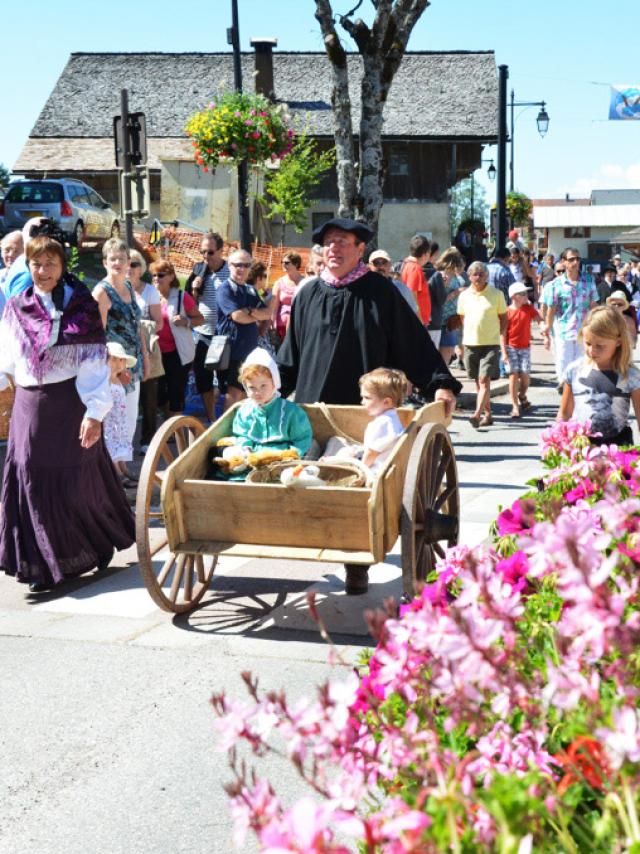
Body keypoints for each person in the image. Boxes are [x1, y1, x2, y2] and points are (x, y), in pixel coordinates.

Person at [0, 236, 135, 593]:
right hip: (30, 403)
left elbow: (93, 363)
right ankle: (42, 565)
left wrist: (94, 412)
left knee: (78, 480)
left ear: (62, 268)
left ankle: (94, 542)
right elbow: (5, 356)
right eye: (36, 264)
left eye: (50, 264)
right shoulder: (16, 306)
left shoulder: (80, 307)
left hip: (71, 401)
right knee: (29, 473)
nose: (42, 272)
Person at [277, 218, 461, 413]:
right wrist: (266, 392)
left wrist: (440, 385)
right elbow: (290, 356)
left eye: (342, 242)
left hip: (366, 414)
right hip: (310, 413)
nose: (333, 248)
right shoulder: (308, 294)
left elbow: (412, 342)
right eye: (328, 242)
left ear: (360, 249)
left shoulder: (381, 292)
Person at [211, 347, 313, 480]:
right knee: (225, 476)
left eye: (263, 385)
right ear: (245, 388)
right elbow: (241, 434)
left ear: (274, 383)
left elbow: (302, 438)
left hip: (280, 460)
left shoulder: (291, 412)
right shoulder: (245, 411)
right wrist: (246, 449)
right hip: (252, 459)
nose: (258, 392)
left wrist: (291, 455)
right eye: (252, 387)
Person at [93, 238, 148, 475]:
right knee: (114, 418)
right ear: (105, 262)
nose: (117, 262)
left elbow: (136, 326)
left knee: (130, 415)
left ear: (128, 263)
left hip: (132, 359)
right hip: (114, 365)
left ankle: (123, 464)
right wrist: (113, 368)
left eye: (122, 259)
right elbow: (99, 333)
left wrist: (145, 356)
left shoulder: (128, 286)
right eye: (113, 258)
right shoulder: (102, 291)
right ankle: (113, 470)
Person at [557, 306, 640, 446]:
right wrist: (558, 443)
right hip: (582, 447)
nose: (592, 350)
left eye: (600, 346)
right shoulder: (574, 371)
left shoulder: (630, 375)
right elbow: (564, 414)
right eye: (588, 343)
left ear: (618, 342)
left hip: (619, 448)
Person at [215, 249, 274, 411]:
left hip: (249, 351)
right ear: (229, 266)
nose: (242, 269)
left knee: (244, 392)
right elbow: (237, 317)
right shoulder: (225, 289)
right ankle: (226, 429)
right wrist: (256, 314)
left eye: (246, 265)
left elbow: (268, 313)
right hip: (233, 351)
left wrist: (250, 311)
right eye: (238, 265)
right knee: (233, 393)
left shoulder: (250, 289)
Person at [456, 260, 508, 428]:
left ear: (487, 275)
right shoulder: (464, 296)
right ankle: (488, 414)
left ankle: (477, 415)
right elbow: (462, 317)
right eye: (474, 274)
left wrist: (500, 337)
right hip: (471, 343)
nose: (478, 277)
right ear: (469, 276)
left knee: (484, 379)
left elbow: (504, 318)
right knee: (479, 383)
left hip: (490, 344)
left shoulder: (497, 294)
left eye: (481, 274)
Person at [185, 232, 229, 421]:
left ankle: (227, 419)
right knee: (203, 379)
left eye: (210, 252)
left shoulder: (230, 271)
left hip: (224, 334)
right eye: (202, 252)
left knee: (225, 379)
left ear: (221, 250)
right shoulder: (198, 270)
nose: (206, 257)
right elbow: (189, 304)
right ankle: (211, 419)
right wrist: (195, 289)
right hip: (203, 332)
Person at [151, 260, 204, 416]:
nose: (156, 278)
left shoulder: (182, 296)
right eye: (153, 275)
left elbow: (200, 319)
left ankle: (177, 432)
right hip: (156, 352)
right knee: (159, 394)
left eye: (160, 275)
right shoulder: (151, 296)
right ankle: (169, 425)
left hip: (178, 353)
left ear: (171, 277)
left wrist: (186, 321)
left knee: (175, 393)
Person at [542, 247, 598, 386]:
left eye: (578, 259)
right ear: (564, 262)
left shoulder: (589, 280)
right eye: (572, 259)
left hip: (583, 331)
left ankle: (579, 395)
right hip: (563, 331)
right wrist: (547, 329)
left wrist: (600, 323)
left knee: (583, 364)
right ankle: (565, 394)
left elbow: (593, 304)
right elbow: (551, 309)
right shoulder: (555, 285)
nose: (576, 262)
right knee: (563, 365)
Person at [129, 249, 164, 452]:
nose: (130, 268)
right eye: (127, 263)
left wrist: (137, 327)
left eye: (134, 264)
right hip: (123, 350)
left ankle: (147, 439)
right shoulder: (115, 289)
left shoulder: (149, 291)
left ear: (141, 268)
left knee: (148, 397)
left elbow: (158, 323)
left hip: (146, 350)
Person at [503, 282, 542, 418]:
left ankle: (522, 395)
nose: (527, 295)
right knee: (513, 375)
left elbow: (539, 319)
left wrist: (543, 327)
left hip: (525, 348)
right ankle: (515, 406)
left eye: (526, 293)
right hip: (511, 347)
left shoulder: (528, 308)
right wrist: (503, 352)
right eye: (523, 294)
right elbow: (502, 334)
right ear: (514, 297)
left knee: (525, 378)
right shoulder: (507, 312)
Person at [359, 367, 407, 475]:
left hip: (375, 472)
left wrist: (360, 470)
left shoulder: (383, 423)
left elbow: (371, 453)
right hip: (382, 468)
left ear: (386, 402)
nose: (362, 402)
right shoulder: (391, 417)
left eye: (367, 398)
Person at [104, 342, 137, 485]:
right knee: (110, 443)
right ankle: (116, 472)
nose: (118, 363)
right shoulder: (104, 379)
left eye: (121, 360)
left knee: (120, 440)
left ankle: (122, 467)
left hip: (119, 419)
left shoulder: (117, 379)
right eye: (114, 359)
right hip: (109, 420)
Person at [428, 247, 465, 350]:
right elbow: (440, 299)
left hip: (451, 319)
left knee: (449, 349)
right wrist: (457, 292)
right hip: (443, 319)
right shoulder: (444, 276)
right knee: (446, 350)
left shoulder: (453, 275)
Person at [368, 249, 418, 313]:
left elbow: (413, 312)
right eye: (376, 263)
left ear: (390, 265)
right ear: (369, 266)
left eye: (384, 262)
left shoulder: (401, 288)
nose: (381, 266)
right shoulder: (363, 289)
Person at [247, 260, 277, 356]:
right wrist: (270, 309)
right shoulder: (253, 296)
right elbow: (262, 331)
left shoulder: (253, 291)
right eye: (265, 276)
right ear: (259, 278)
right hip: (256, 344)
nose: (266, 279)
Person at [271, 252, 302, 342]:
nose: (283, 265)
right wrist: (272, 327)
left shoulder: (305, 282)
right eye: (282, 262)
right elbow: (274, 307)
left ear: (296, 264)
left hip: (298, 327)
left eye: (287, 263)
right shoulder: (279, 283)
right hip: (281, 328)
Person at [400, 235, 431, 325]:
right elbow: (412, 297)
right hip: (416, 322)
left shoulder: (408, 264)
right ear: (426, 254)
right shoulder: (415, 268)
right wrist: (420, 322)